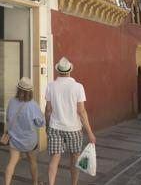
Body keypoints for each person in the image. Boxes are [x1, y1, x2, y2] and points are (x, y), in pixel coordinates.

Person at [45, 57, 96, 185]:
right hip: (74, 128)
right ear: (69, 71)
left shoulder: (50, 86)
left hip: (55, 127)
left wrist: (47, 126)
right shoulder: (78, 87)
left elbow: (48, 109)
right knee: (74, 158)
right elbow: (82, 112)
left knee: (54, 158)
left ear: (58, 71)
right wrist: (90, 132)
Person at [4, 77, 45, 185]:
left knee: (11, 163)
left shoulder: (12, 101)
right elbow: (40, 123)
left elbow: (8, 118)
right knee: (32, 162)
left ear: (18, 89)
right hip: (29, 141)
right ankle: (35, 183)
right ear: (30, 91)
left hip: (15, 139)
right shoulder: (33, 105)